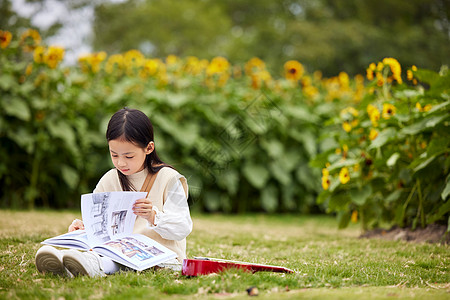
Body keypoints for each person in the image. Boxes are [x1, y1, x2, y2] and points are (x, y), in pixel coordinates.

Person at [35, 108, 193, 277]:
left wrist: (153, 216)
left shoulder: (169, 179)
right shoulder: (110, 179)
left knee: (109, 261)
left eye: (129, 156)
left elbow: (182, 228)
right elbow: (100, 226)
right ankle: (68, 264)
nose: (121, 162)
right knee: (107, 256)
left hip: (161, 258)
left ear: (148, 148)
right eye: (114, 154)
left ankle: (87, 266)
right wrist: (85, 228)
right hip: (117, 252)